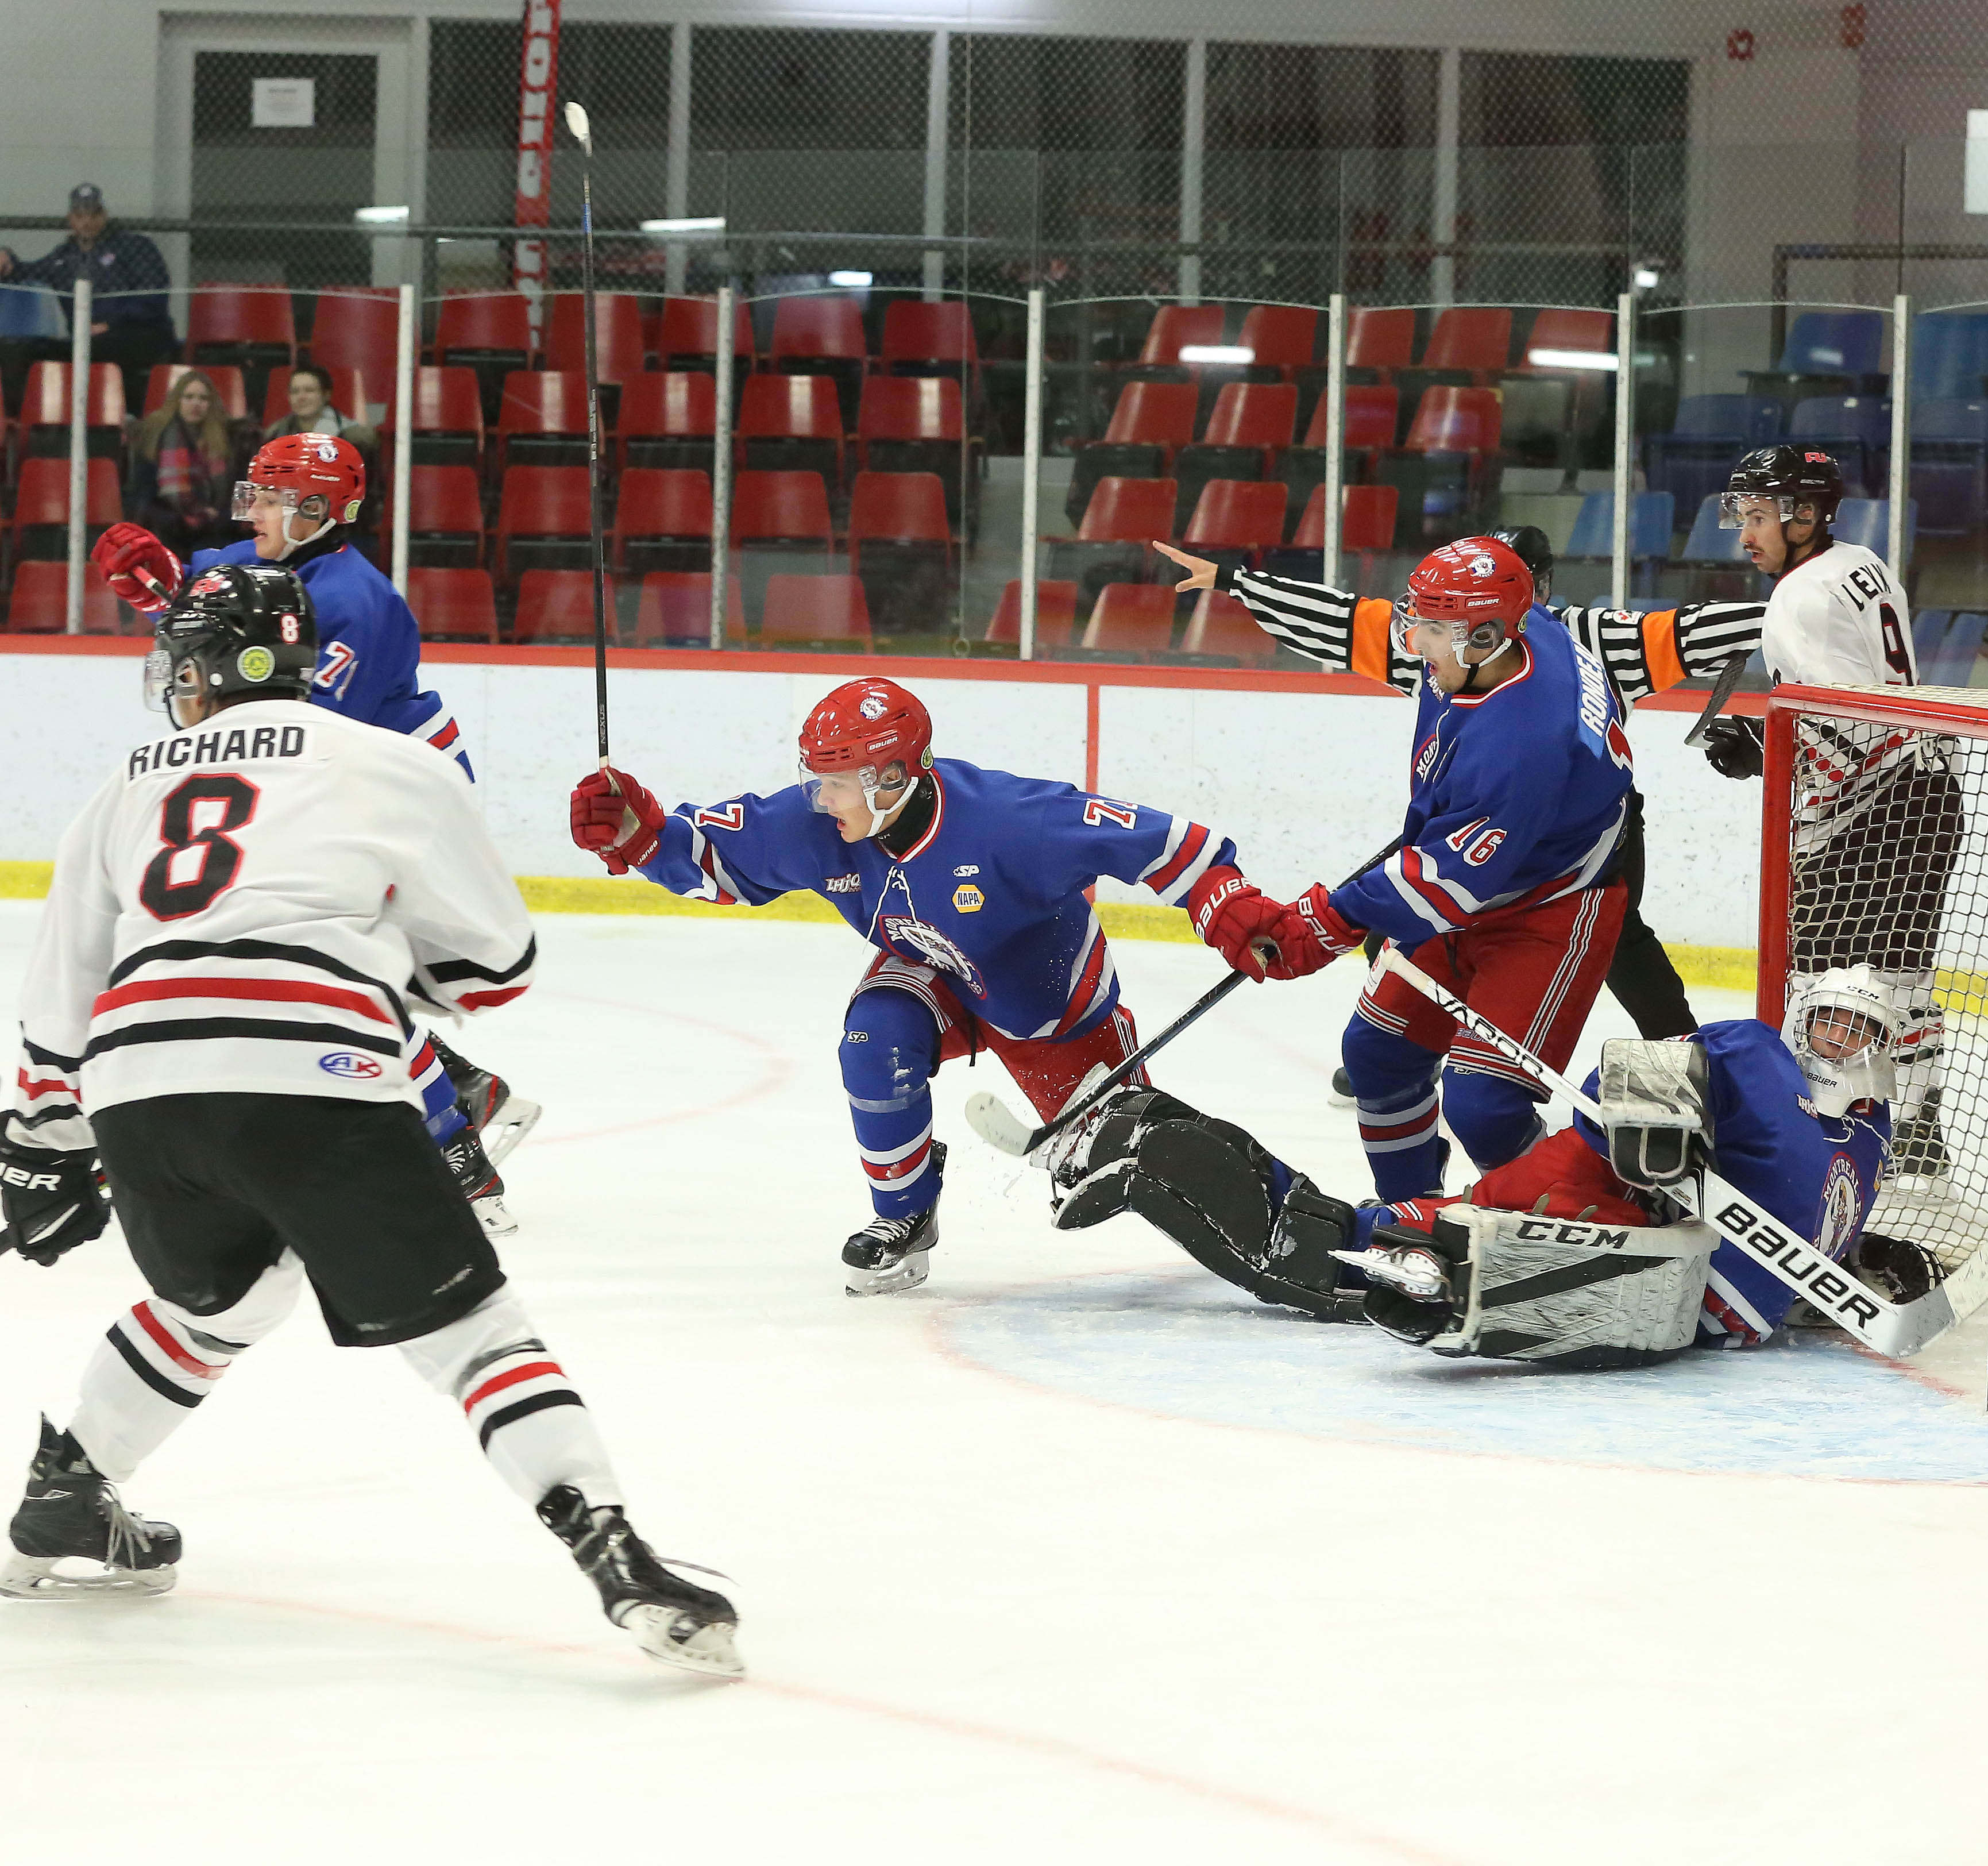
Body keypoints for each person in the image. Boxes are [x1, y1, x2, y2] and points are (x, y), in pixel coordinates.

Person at [0, 565, 739, 1676]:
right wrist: (387, 957)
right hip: (313, 1069)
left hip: (139, 1082)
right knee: (475, 1332)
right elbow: (498, 964)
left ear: (213, 670)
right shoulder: (394, 761)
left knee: (223, 1298)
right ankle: (614, 1551)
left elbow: (61, 988)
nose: (177, 687)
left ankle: (64, 1496)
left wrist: (37, 1134)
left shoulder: (128, 778)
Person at [569, 674, 1258, 1297]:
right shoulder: (821, 823)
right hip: (934, 966)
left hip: (1045, 994)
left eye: (837, 782)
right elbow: (712, 854)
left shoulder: (1009, 818)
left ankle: (1274, 1215)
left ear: (893, 778)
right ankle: (903, 1213)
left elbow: (1168, 843)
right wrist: (636, 834)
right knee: (872, 1040)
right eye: (816, 778)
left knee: (1131, 1155)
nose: (820, 797)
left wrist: (1227, 905)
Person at [88, 432, 534, 1233]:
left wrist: (169, 612)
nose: (251, 511)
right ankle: (462, 1090)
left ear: (319, 509)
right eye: (253, 495)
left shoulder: (360, 602)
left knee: (328, 962)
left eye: (269, 498)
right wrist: (158, 587)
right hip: (335, 782)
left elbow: (288, 733)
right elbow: (206, 617)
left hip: (401, 802)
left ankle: (454, 1152)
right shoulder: (256, 563)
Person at [1045, 970, 1902, 1359]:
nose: (1841, 1042)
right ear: (1799, 1020)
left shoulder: (1873, 1131)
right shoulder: (1756, 1055)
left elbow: (1813, 1218)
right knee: (1362, 1244)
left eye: (1860, 1029)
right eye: (1828, 1021)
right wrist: (1651, 1143)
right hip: (1627, 1230)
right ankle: (1146, 1144)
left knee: (1400, 1239)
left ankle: (1153, 1131)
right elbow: (1619, 1087)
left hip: (1671, 1286)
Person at [1164, 522, 1761, 1054]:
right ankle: (1403, 1047)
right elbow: (1345, 622)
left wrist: (1787, 613)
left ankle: (1682, 1052)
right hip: (1479, 817)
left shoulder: (1585, 635)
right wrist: (1237, 581)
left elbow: (1689, 632)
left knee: (1618, 936)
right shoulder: (1445, 640)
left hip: (1578, 837)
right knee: (1398, 927)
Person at [1188, 537, 1635, 1205]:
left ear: (1485, 637)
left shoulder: (1522, 740)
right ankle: (1411, 1211)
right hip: (1489, 865)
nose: (1414, 642)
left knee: (1484, 1103)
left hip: (1551, 904)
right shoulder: (1506, 636)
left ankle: (1567, 1212)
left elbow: (1448, 882)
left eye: (1432, 628)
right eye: (1418, 618)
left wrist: (1324, 921)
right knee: (1377, 1055)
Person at [1684, 444, 1961, 1185]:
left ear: (1803, 515)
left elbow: (1846, 726)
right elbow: (1866, 698)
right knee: (1901, 974)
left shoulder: (1796, 597)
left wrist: (1762, 752)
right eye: (1742, 517)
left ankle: (1825, 1138)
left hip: (1868, 806)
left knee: (1818, 983)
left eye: (1758, 517)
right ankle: (1919, 1135)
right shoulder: (1861, 562)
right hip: (1930, 787)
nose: (1746, 536)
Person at [0, 184, 174, 412]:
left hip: (137, 336)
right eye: (80, 216)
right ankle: (24, 423)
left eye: (93, 215)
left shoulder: (136, 247)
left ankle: (115, 417)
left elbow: (154, 299)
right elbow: (30, 272)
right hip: (85, 341)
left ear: (104, 215)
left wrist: (111, 324)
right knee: (18, 350)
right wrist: (8, 261)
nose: (87, 222)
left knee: (96, 347)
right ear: (71, 219)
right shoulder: (66, 256)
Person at [123, 368, 237, 560]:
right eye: (189, 397)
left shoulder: (227, 441)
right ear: (178, 401)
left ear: (211, 404)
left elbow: (231, 496)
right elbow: (143, 497)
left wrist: (217, 519)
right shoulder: (155, 438)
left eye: (203, 398)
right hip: (168, 531)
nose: (196, 403)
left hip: (214, 533)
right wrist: (180, 520)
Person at [260, 362, 375, 451]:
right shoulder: (274, 435)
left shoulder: (355, 438)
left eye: (310, 390)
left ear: (326, 395)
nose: (301, 397)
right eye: (295, 392)